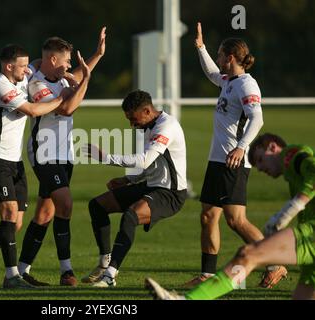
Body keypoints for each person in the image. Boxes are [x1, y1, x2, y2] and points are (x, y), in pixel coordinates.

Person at [145, 133, 315, 300]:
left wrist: (287, 212)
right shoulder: (290, 173)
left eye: (261, 160)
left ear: (273, 147)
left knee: (248, 255)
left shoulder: (291, 155)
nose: (261, 168)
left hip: (311, 235)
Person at [185, 22, 287, 288]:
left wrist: (242, 147)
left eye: (220, 54)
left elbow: (257, 118)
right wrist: (201, 48)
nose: (218, 59)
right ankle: (207, 274)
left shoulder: (246, 85)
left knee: (236, 220)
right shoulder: (229, 81)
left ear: (230, 58)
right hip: (218, 160)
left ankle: (277, 264)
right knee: (208, 215)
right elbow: (211, 73)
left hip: (233, 161)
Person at [0, 44, 63, 289]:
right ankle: (11, 277)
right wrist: (63, 99)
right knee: (8, 215)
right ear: (9, 66)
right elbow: (31, 110)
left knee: (15, 223)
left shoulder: (22, 74)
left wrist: (64, 65)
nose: (26, 70)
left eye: (26, 65)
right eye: (21, 66)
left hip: (15, 163)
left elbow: (39, 64)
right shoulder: (0, 85)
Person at [16, 27, 106, 287]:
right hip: (44, 154)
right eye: (66, 60)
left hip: (64, 154)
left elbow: (76, 76)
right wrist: (84, 81)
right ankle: (67, 271)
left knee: (44, 214)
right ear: (53, 60)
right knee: (65, 204)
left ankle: (21, 271)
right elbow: (66, 109)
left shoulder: (61, 79)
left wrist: (97, 55)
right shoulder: (37, 84)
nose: (69, 65)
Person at [82, 89, 188, 287]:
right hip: (150, 186)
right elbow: (153, 165)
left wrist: (106, 158)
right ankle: (105, 263)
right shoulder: (149, 126)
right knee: (97, 205)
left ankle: (109, 276)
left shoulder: (166, 126)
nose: (132, 125)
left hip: (170, 194)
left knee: (130, 216)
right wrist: (129, 180)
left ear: (147, 111)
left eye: (133, 119)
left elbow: (146, 160)